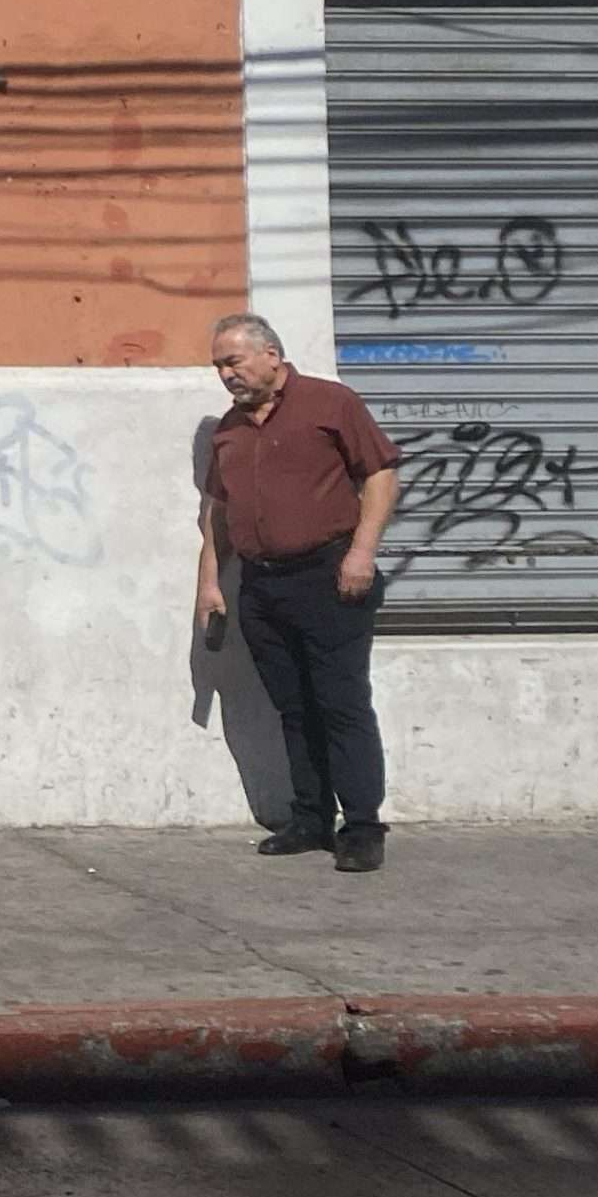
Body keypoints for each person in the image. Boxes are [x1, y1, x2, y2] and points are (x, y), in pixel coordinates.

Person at [195, 312, 404, 873]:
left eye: (233, 362)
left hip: (328, 576)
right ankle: (311, 817)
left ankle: (362, 826)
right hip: (262, 585)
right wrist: (210, 583)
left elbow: (381, 474)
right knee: (292, 706)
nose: (226, 375)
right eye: (218, 366)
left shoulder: (330, 403)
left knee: (341, 702)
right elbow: (217, 514)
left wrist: (362, 552)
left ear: (271, 355)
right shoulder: (229, 430)